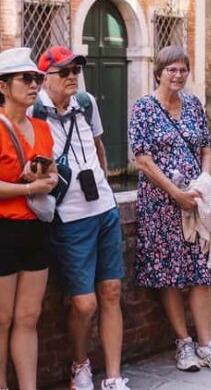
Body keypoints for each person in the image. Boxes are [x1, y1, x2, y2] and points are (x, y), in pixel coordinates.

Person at [128, 45, 211, 375]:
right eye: (171, 69)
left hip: (194, 202)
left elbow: (205, 149)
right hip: (159, 203)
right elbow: (142, 160)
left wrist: (204, 183)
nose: (177, 75)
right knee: (168, 274)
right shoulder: (143, 108)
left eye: (183, 69)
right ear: (158, 72)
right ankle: (183, 343)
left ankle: (207, 345)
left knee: (200, 273)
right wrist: (176, 193)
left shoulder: (193, 105)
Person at [30, 46, 128, 390]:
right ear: (45, 78)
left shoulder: (86, 103)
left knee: (112, 291)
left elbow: (99, 149)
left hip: (104, 210)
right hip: (69, 218)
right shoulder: (32, 113)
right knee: (84, 304)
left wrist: (105, 185)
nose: (73, 77)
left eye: (76, 71)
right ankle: (80, 364)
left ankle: (114, 377)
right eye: (65, 72)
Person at [0, 47, 58, 390]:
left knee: (28, 316)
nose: (35, 83)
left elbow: (47, 175)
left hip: (34, 229)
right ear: (4, 87)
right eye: (26, 78)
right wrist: (28, 188)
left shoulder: (42, 128)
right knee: (0, 318)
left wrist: (47, 179)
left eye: (37, 77)